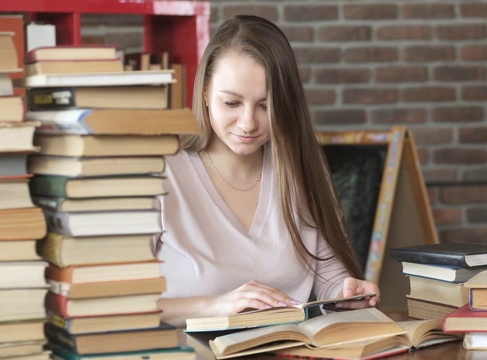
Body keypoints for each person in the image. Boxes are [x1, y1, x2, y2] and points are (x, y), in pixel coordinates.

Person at [152, 14, 380, 328]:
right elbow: (112, 306)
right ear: (204, 92)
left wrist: (345, 294)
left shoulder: (298, 169)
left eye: (266, 105)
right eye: (232, 103)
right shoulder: (156, 173)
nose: (248, 123)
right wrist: (218, 306)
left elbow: (329, 278)